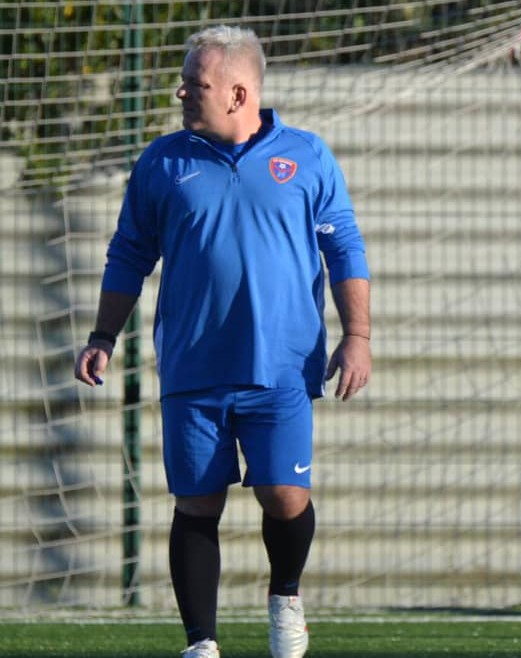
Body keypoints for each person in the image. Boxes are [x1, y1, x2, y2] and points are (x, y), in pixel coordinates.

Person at [73, 25, 371, 658]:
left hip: (283, 368)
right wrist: (104, 334)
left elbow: (344, 246)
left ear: (238, 94)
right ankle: (200, 644)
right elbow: (129, 253)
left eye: (196, 83)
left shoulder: (307, 156)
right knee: (197, 502)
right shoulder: (162, 161)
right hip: (193, 366)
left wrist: (359, 335)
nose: (181, 90)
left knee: (284, 496)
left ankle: (285, 598)